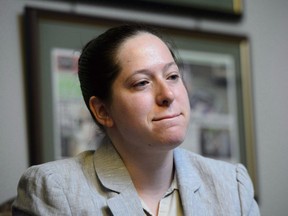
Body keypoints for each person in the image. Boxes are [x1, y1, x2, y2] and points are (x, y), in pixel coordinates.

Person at [12, 24, 260, 215]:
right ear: (102, 111)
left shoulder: (232, 185)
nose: (168, 95)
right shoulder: (55, 189)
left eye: (172, 76)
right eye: (142, 83)